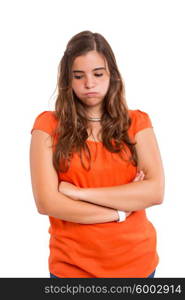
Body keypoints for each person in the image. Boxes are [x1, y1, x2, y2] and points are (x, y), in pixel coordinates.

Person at [29, 30, 165, 278]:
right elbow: (47, 202)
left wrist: (79, 194)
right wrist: (121, 211)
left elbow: (154, 192)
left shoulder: (137, 122)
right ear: (67, 80)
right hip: (73, 270)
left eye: (98, 74)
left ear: (111, 75)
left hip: (138, 265)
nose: (89, 84)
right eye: (78, 76)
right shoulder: (47, 125)